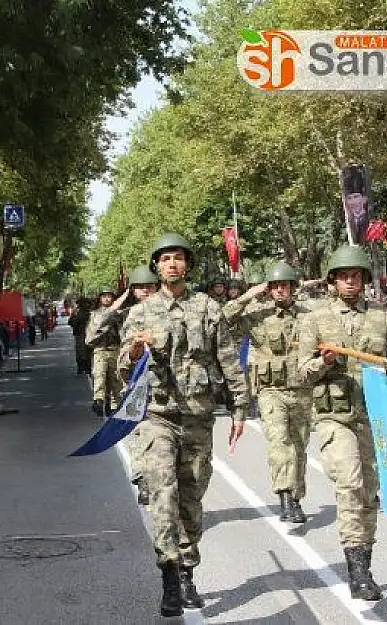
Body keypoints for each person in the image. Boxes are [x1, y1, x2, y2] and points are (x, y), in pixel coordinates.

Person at [119, 233, 249, 617]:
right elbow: (125, 366)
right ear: (156, 266)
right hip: (157, 416)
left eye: (178, 258)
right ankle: (169, 577)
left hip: (197, 417)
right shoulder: (140, 313)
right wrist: (136, 351)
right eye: (165, 259)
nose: (172, 264)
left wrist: (240, 406)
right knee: (163, 494)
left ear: (186, 265)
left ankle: (189, 571)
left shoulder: (208, 307)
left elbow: (227, 358)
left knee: (191, 497)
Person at [298, 244, 387, 601]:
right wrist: (324, 362)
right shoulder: (314, 319)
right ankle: (356, 570)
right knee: (349, 480)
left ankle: (365, 559)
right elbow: (302, 373)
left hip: (373, 416)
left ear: (365, 279)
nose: (350, 281)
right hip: (334, 416)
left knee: (367, 492)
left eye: (356, 275)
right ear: (332, 280)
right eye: (344, 276)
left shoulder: (385, 317)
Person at [223, 261, 313, 523]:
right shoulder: (257, 314)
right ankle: (284, 494)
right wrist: (250, 294)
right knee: (278, 442)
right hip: (270, 391)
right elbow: (224, 319)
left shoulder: (308, 314)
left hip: (301, 389)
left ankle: (295, 498)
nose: (279, 290)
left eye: (284, 285)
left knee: (299, 447)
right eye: (274, 286)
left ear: (292, 288)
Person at [119, 266, 159, 506]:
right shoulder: (131, 317)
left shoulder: (174, 311)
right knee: (140, 436)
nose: (145, 291)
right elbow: (124, 361)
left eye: (149, 287)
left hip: (171, 389)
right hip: (138, 387)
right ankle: (143, 479)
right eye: (140, 288)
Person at [87, 287, 125, 416]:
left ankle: (115, 406)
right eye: (104, 296)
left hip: (115, 349)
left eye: (109, 296)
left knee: (116, 379)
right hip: (100, 349)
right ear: (99, 298)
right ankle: (99, 400)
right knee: (99, 375)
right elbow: (92, 334)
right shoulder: (95, 314)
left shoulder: (119, 314)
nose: (107, 299)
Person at [67, 298, 92, 374]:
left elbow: (72, 322)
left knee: (84, 351)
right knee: (82, 351)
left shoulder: (86, 313)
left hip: (86, 334)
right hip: (81, 334)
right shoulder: (80, 313)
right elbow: (71, 322)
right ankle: (83, 367)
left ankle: (84, 367)